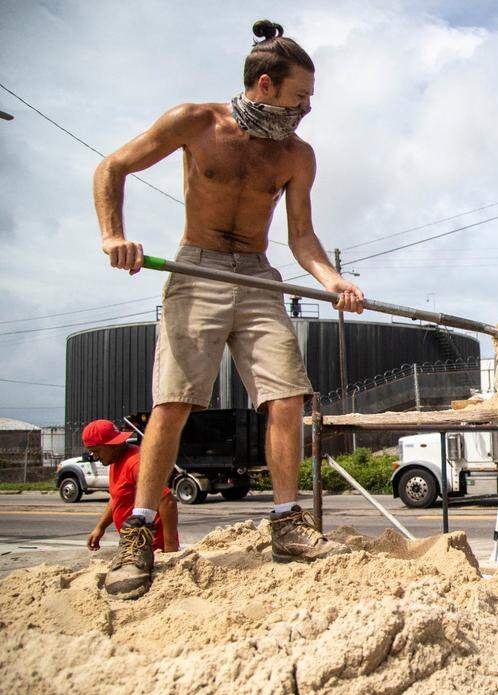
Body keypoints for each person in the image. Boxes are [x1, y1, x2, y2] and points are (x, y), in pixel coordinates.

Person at [92, 20, 362, 599]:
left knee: (287, 394)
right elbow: (112, 167)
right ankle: (138, 535)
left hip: (259, 275)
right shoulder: (195, 122)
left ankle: (287, 524)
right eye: (300, 98)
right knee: (175, 400)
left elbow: (303, 238)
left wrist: (334, 280)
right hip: (197, 269)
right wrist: (114, 236)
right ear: (264, 85)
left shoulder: (297, 155)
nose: (307, 110)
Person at [83, 420, 179, 597]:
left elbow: (167, 501)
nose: (95, 457)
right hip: (134, 547)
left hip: (151, 550)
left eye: (97, 451)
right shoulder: (116, 462)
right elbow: (116, 498)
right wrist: (101, 527)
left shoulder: (135, 463)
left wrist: (170, 547)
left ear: (112, 445)